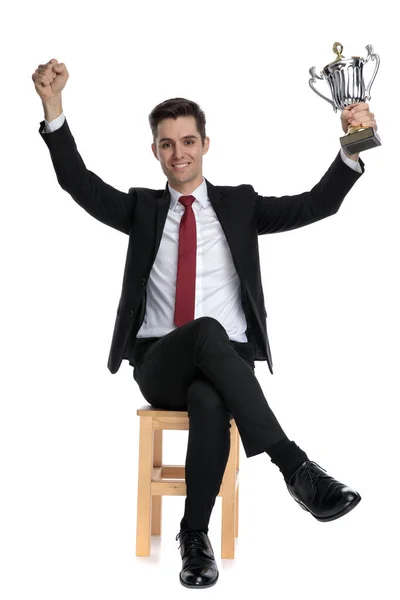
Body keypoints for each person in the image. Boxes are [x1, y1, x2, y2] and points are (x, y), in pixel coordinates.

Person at [33, 58, 377, 589]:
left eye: (188, 141)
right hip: (159, 361)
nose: (179, 153)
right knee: (206, 332)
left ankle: (194, 540)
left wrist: (353, 143)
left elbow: (319, 204)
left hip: (227, 367)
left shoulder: (239, 206)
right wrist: (53, 108)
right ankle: (294, 467)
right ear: (155, 151)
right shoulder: (143, 209)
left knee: (213, 397)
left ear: (205, 145)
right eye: (167, 144)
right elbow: (77, 183)